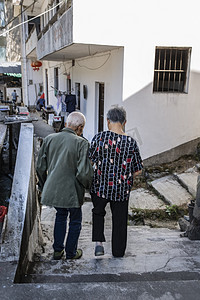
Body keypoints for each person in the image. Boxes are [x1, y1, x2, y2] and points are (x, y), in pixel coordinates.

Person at [36, 112, 94, 260]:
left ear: (67, 124)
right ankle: (71, 252)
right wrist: (88, 186)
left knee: (60, 216)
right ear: (80, 128)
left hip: (54, 190)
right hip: (73, 191)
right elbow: (83, 172)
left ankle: (57, 250)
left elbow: (40, 167)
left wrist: (44, 186)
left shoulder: (49, 139)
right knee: (75, 221)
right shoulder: (81, 143)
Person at [89, 106, 143, 257]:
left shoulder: (98, 138)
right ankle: (118, 251)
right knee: (119, 220)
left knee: (98, 212)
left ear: (108, 121)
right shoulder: (131, 142)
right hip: (122, 189)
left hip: (100, 186)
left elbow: (90, 161)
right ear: (124, 122)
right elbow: (138, 169)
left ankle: (98, 243)